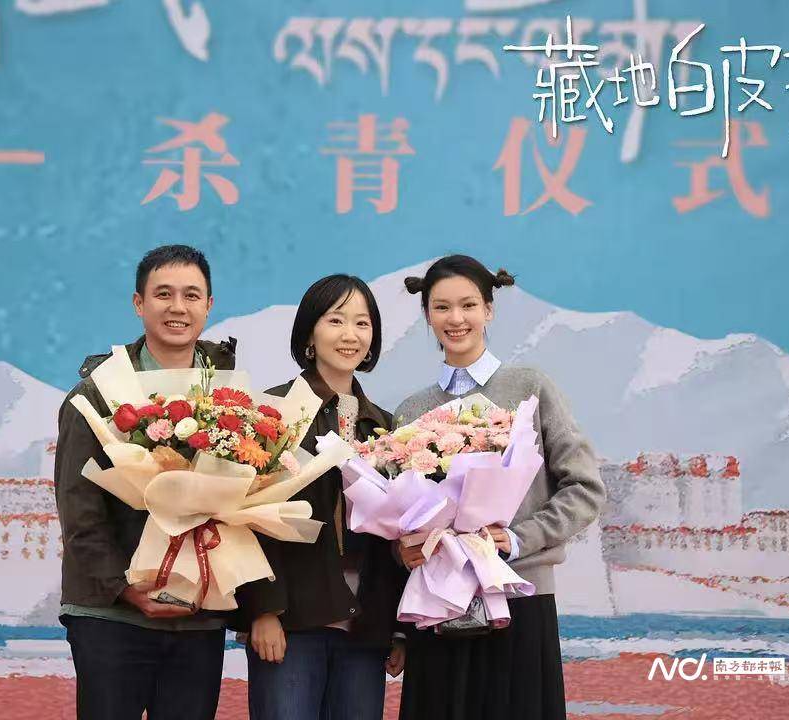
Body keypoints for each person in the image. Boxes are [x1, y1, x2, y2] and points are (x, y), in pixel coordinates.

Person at [394, 254, 606, 720]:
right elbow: (398, 517)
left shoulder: (530, 387)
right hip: (438, 602)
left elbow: (585, 488)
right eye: (442, 307)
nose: (456, 318)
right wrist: (403, 549)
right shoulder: (410, 411)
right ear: (427, 315)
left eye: (468, 305)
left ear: (489, 309)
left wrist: (516, 538)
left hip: (520, 596)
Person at [54, 244, 237, 719]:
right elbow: (79, 509)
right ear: (139, 303)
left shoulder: (231, 398)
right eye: (163, 294)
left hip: (196, 616)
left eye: (191, 295)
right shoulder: (99, 392)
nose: (178, 307)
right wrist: (126, 587)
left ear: (209, 305)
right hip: (111, 613)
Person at [234, 274, 408, 720]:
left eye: (362, 323)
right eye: (336, 320)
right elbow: (247, 517)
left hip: (365, 627)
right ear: (309, 333)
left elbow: (396, 534)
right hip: (291, 622)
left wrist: (396, 629)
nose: (350, 335)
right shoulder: (273, 412)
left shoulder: (385, 427)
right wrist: (262, 611)